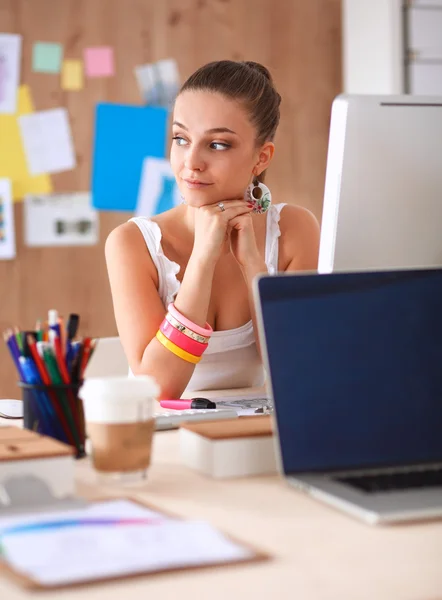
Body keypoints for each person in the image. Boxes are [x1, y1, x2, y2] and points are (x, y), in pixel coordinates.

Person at [105, 60, 320, 399]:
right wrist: (202, 260)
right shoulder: (132, 243)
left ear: (261, 157)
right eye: (180, 138)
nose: (191, 162)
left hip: (251, 436)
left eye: (217, 144)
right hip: (163, 440)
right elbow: (159, 390)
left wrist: (253, 264)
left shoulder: (294, 230)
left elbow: (295, 374)